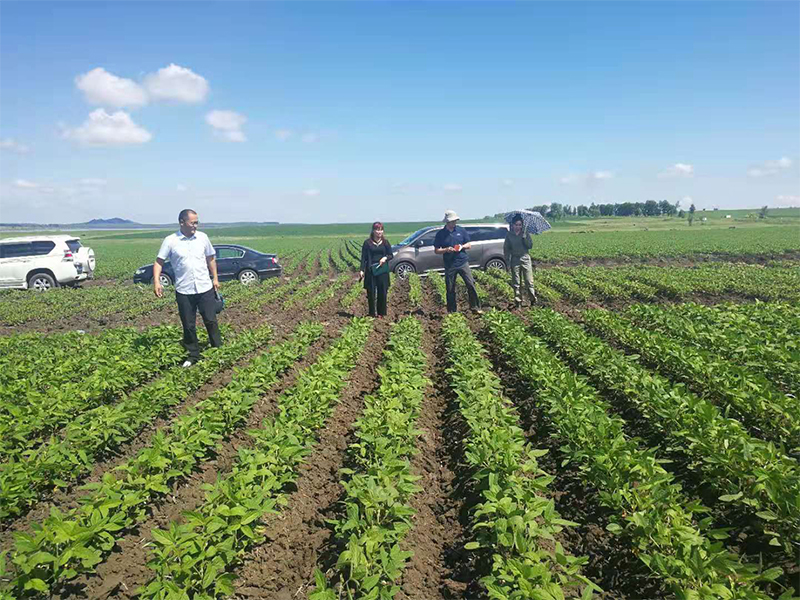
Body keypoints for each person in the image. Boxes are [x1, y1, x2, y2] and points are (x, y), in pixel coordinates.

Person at [154, 209, 222, 367]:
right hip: (184, 290)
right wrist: (157, 281)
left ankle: (218, 350)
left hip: (205, 287)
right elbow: (159, 261)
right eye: (192, 223)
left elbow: (211, 258)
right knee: (188, 324)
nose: (195, 226)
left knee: (211, 320)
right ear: (182, 222)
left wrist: (215, 278)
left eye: (197, 222)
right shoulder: (171, 241)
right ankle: (193, 355)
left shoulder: (203, 238)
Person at [434, 210, 483, 314]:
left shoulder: (461, 230)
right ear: (447, 222)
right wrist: (446, 249)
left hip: (462, 262)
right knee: (450, 288)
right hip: (450, 264)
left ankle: (475, 307)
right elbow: (436, 250)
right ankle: (452, 311)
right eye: (452, 221)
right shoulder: (441, 234)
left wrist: (461, 246)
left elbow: (469, 245)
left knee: (471, 284)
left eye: (455, 221)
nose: (454, 223)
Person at [359, 221, 393, 317]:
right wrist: (361, 270)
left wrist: (385, 258)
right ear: (373, 231)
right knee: (371, 293)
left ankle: (381, 313)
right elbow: (363, 258)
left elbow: (390, 255)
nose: (379, 232)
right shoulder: (367, 243)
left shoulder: (385, 243)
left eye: (381, 230)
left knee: (382, 292)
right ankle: (372, 313)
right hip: (371, 271)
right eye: (377, 230)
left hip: (382, 271)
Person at [504, 213, 537, 309]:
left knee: (529, 281)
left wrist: (525, 238)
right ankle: (518, 302)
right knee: (516, 283)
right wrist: (507, 262)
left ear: (522, 225)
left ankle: (533, 300)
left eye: (520, 225)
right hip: (515, 259)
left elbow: (530, 246)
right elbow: (506, 249)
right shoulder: (509, 235)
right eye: (516, 225)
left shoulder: (525, 233)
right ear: (513, 225)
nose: (518, 227)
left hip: (525, 258)